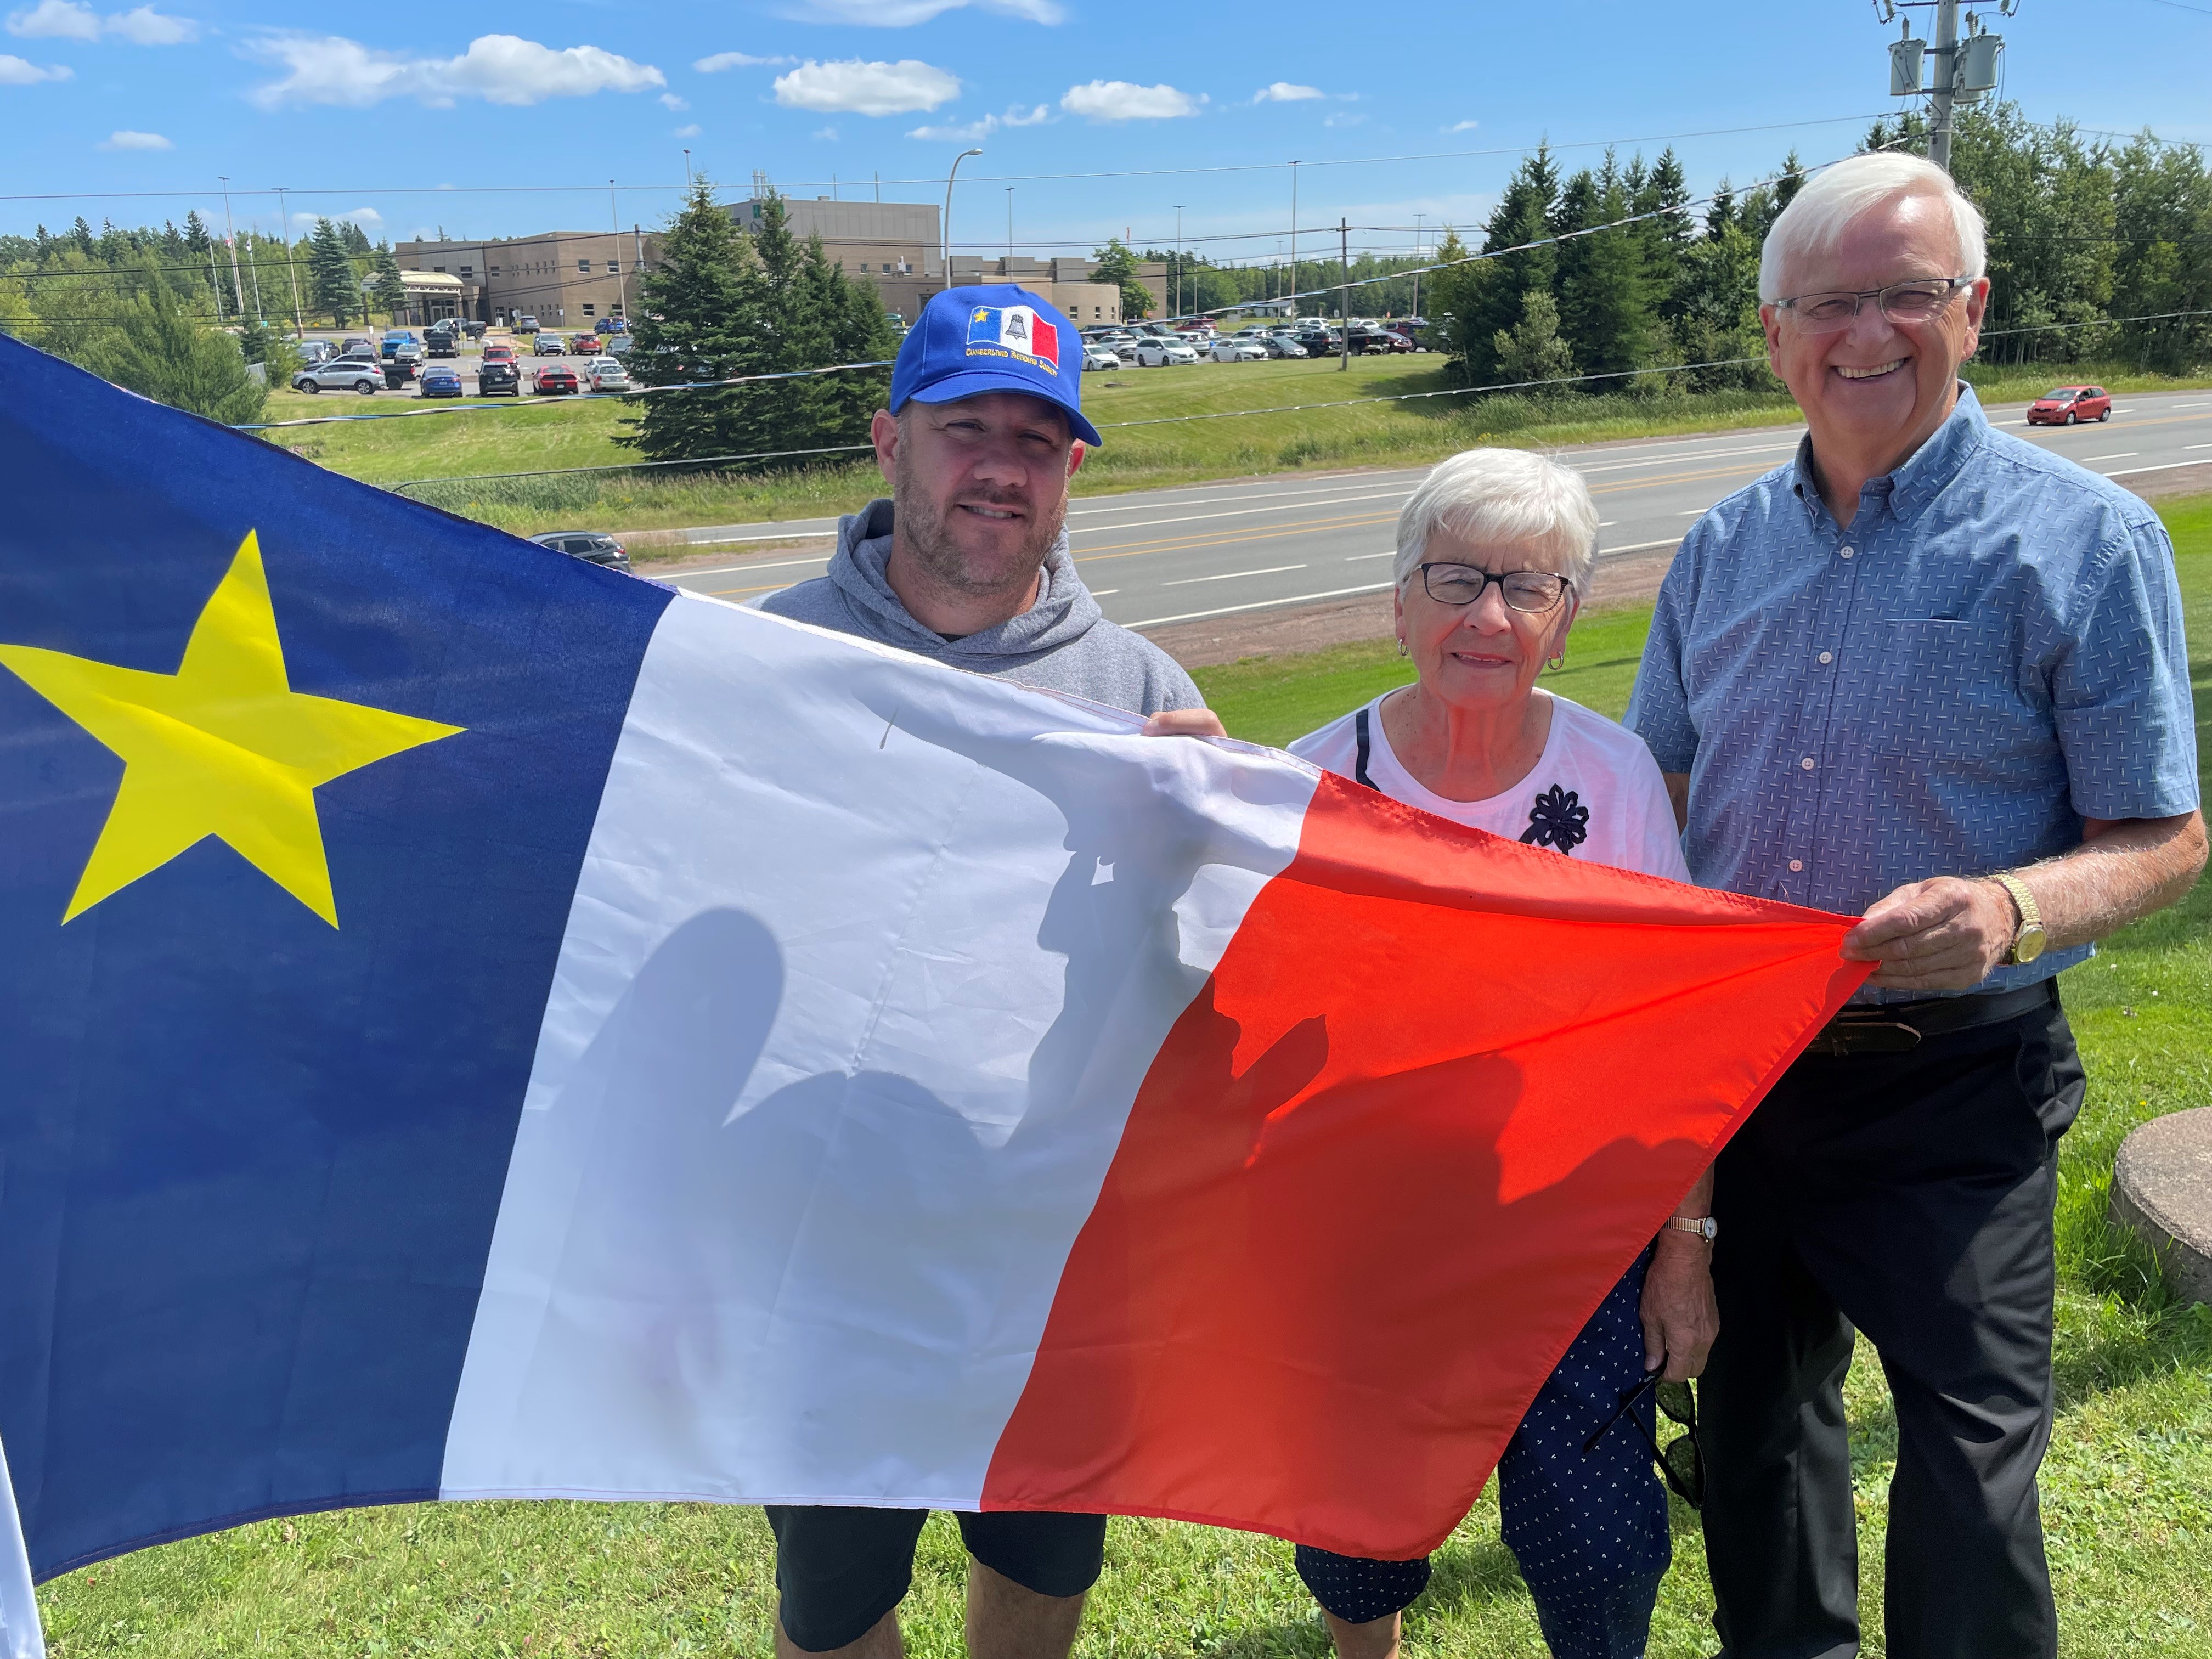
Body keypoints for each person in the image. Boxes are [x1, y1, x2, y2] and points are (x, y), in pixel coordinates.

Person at [1626, 151, 2204, 1658]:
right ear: (1773, 334)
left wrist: (2016, 904)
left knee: (1967, 1469)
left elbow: (2163, 836)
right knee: (1753, 1444)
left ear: (1975, 310)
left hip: (1961, 1084)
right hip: (1749, 1079)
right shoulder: (1715, 553)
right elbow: (1655, 812)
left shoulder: (2085, 540)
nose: (1866, 332)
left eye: (1907, 294)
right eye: (1829, 302)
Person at [755, 283, 1222, 1659]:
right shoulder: (766, 660)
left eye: (1038, 437)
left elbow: (1196, 984)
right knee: (832, 1611)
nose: (1001, 467)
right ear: (889, 439)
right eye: (969, 428)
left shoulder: (1143, 696)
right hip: (824, 1231)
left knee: (1040, 1559)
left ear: (1072, 471)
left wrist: (1205, 851)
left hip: (1051, 1234)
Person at [1287, 447, 1719, 1659]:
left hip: (1568, 1228)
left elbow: (1677, 1029)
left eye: (1529, 587)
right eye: (1457, 576)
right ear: (1398, 601)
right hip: (1373, 1235)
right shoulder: (1308, 782)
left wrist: (1686, 1246)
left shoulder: (1615, 775)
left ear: (1568, 620)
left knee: (1600, 1540)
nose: (1489, 614)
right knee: (1361, 1526)